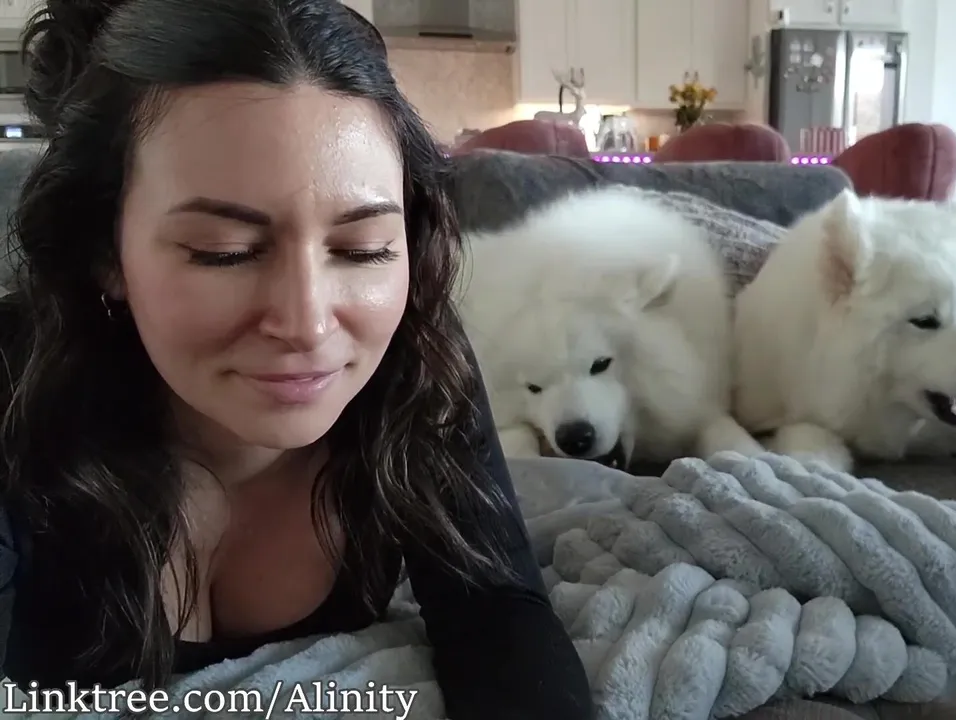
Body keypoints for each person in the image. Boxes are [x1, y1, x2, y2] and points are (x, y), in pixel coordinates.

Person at [0, 0, 592, 717]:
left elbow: (498, 608)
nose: (309, 324)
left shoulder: (417, 359)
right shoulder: (15, 386)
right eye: (226, 252)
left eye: (362, 250)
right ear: (105, 253)